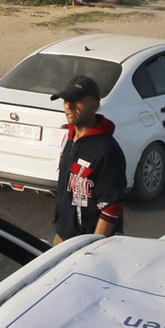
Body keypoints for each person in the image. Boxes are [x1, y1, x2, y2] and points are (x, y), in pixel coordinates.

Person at [49, 75, 126, 244]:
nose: (68, 106)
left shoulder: (107, 150)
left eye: (77, 100)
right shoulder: (69, 139)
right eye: (65, 100)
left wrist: (93, 247)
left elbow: (111, 207)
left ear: (95, 105)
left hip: (89, 244)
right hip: (63, 237)